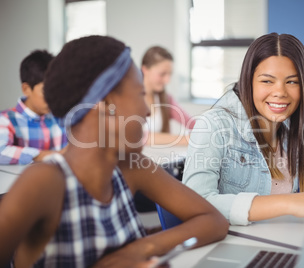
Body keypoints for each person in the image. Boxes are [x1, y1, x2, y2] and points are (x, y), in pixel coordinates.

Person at [0, 35, 228, 267]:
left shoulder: (133, 166)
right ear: (106, 104)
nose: (147, 111)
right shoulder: (44, 183)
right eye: (140, 94)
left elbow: (214, 220)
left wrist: (140, 249)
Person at [182, 33, 304, 226]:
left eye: (292, 81)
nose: (280, 92)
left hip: (284, 241)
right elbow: (195, 204)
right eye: (267, 81)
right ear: (248, 82)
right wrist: (290, 203)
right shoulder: (215, 125)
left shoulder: (290, 125)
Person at [0, 50, 67, 165]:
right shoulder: (6, 119)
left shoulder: (62, 118)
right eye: (46, 90)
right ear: (26, 89)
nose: (53, 97)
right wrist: (47, 155)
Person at [141, 46, 194, 146]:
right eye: (162, 74)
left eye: (170, 74)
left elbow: (192, 124)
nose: (167, 80)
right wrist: (187, 139)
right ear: (145, 69)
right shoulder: (130, 99)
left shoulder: (166, 99)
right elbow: (139, 137)